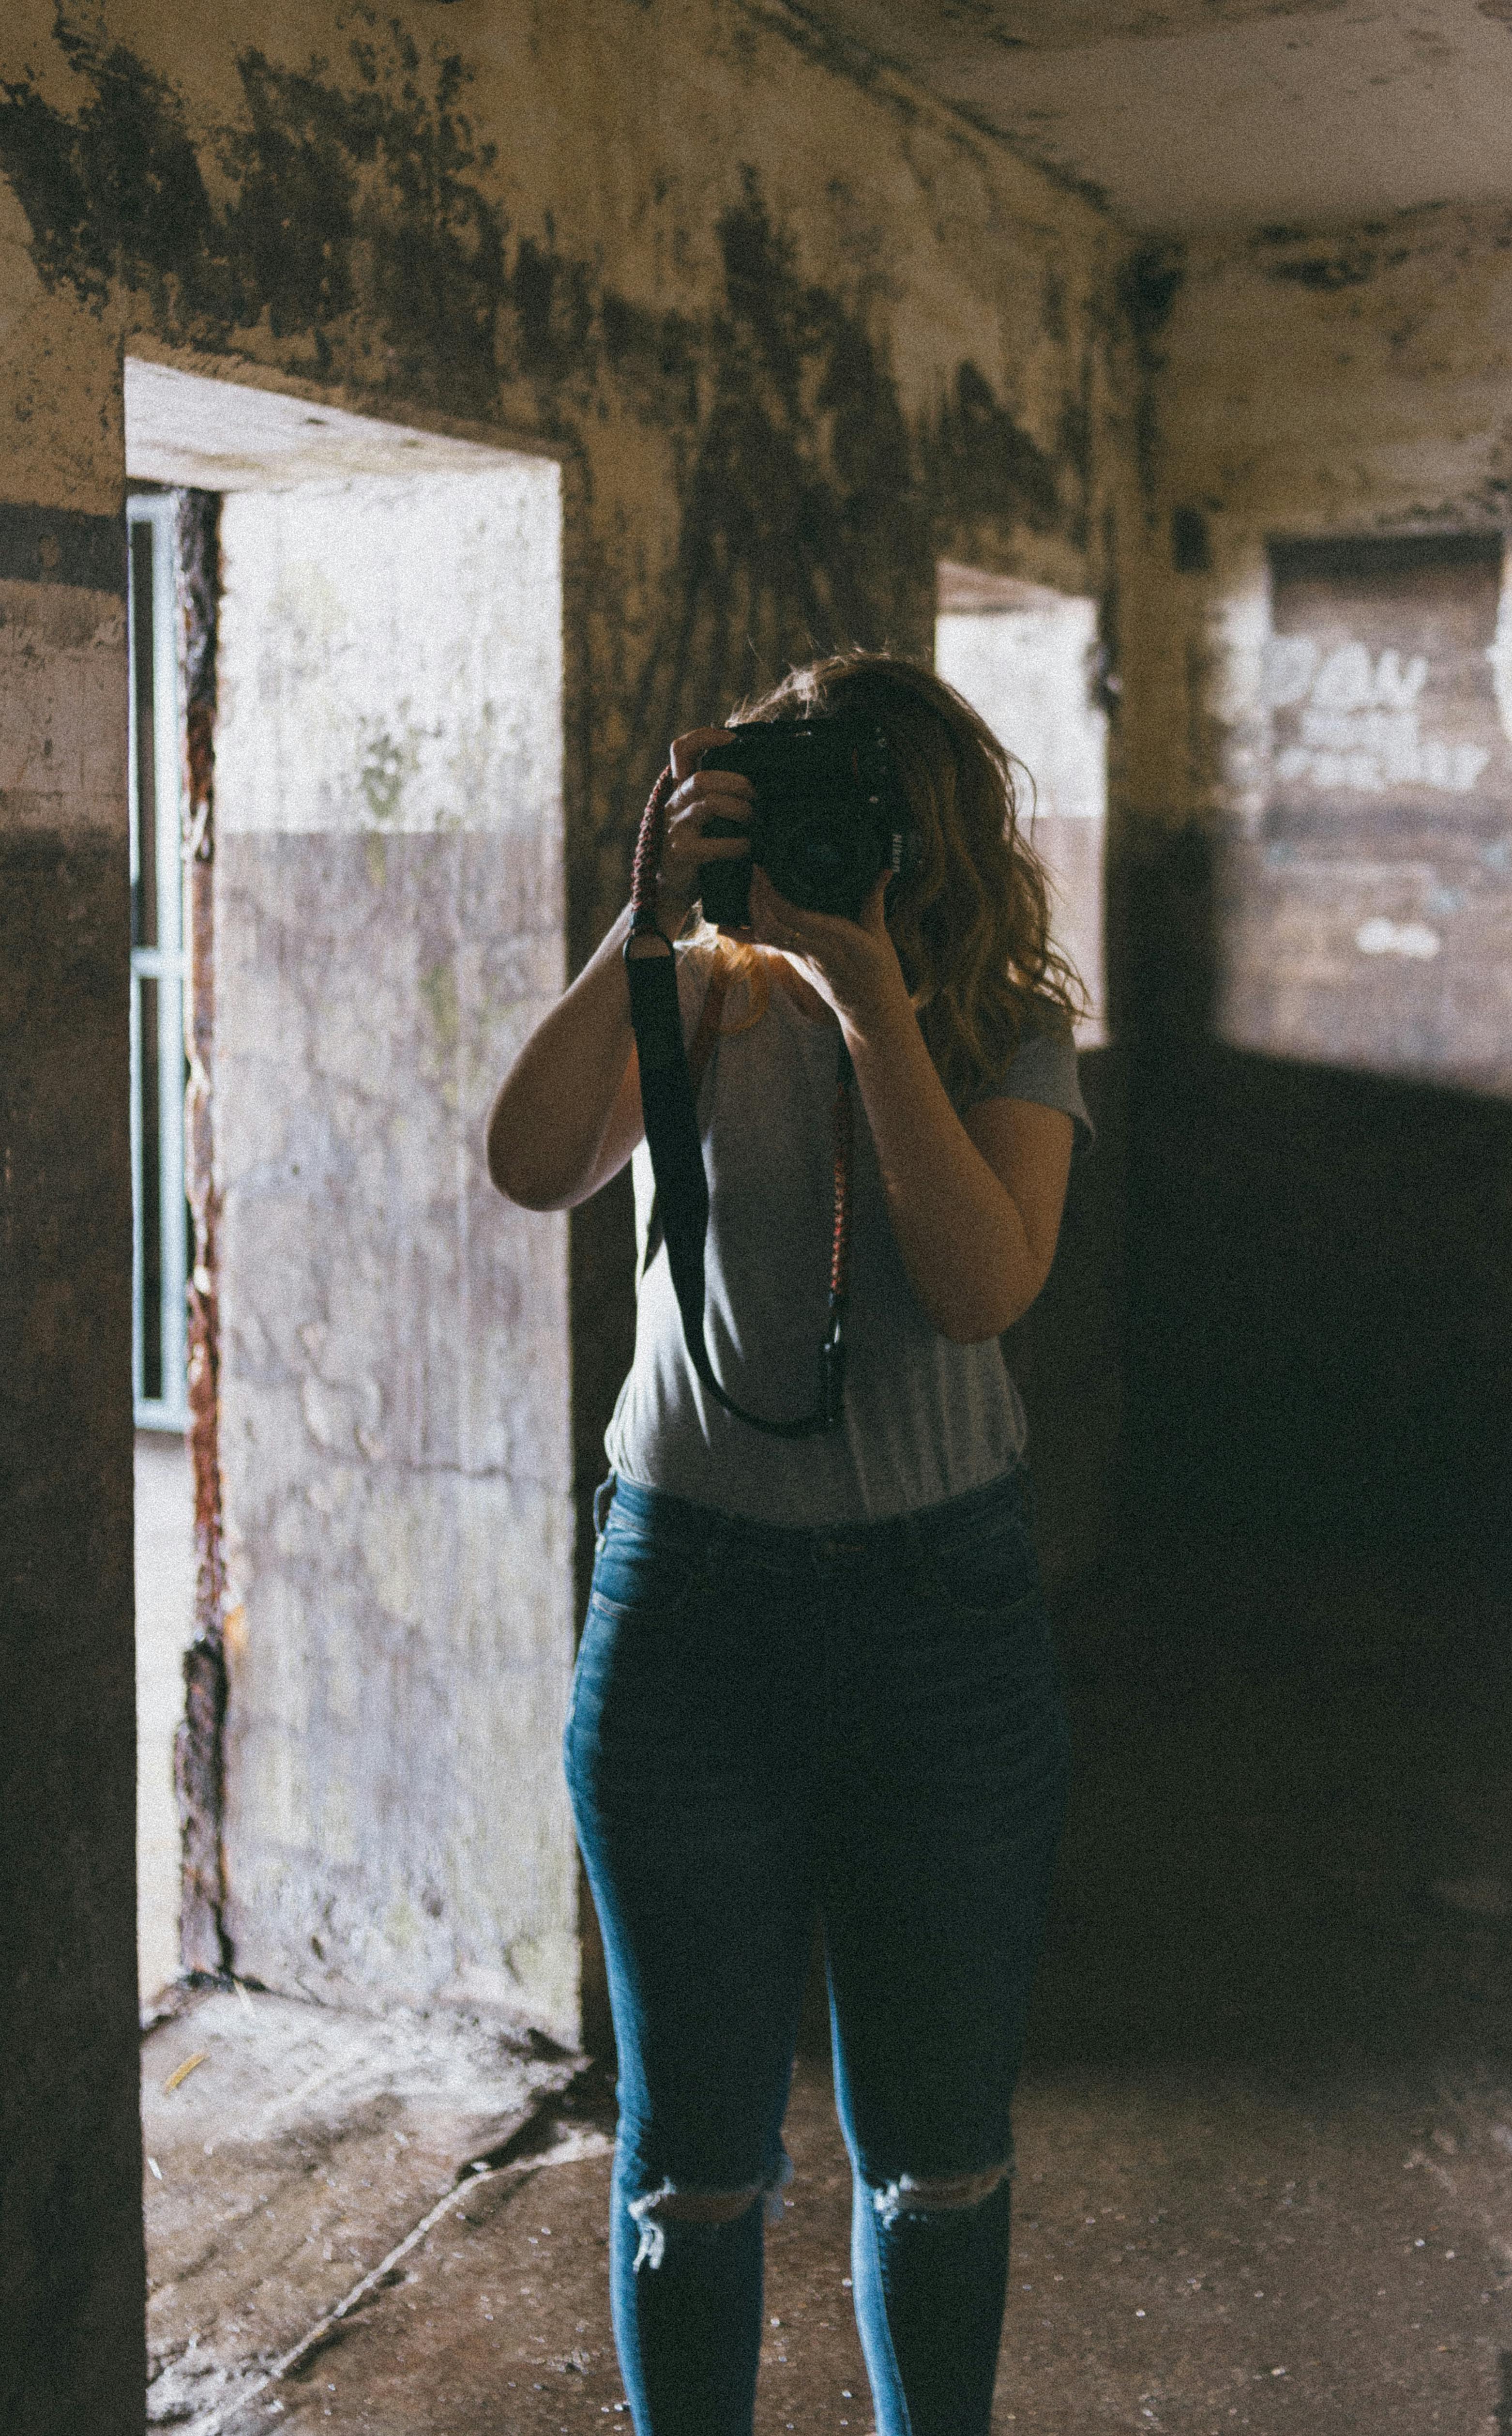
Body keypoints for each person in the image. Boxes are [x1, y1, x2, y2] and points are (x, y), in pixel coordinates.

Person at [486, 650, 1089, 2436]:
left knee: (936, 2147)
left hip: (941, 1630)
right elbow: (529, 1163)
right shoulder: (685, 997)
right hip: (688, 1611)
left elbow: (980, 1287)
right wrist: (642, 922)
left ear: (932, 837)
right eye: (780, 809)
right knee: (692, 2158)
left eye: (853, 815)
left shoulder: (1001, 1024)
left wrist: (876, 1004)